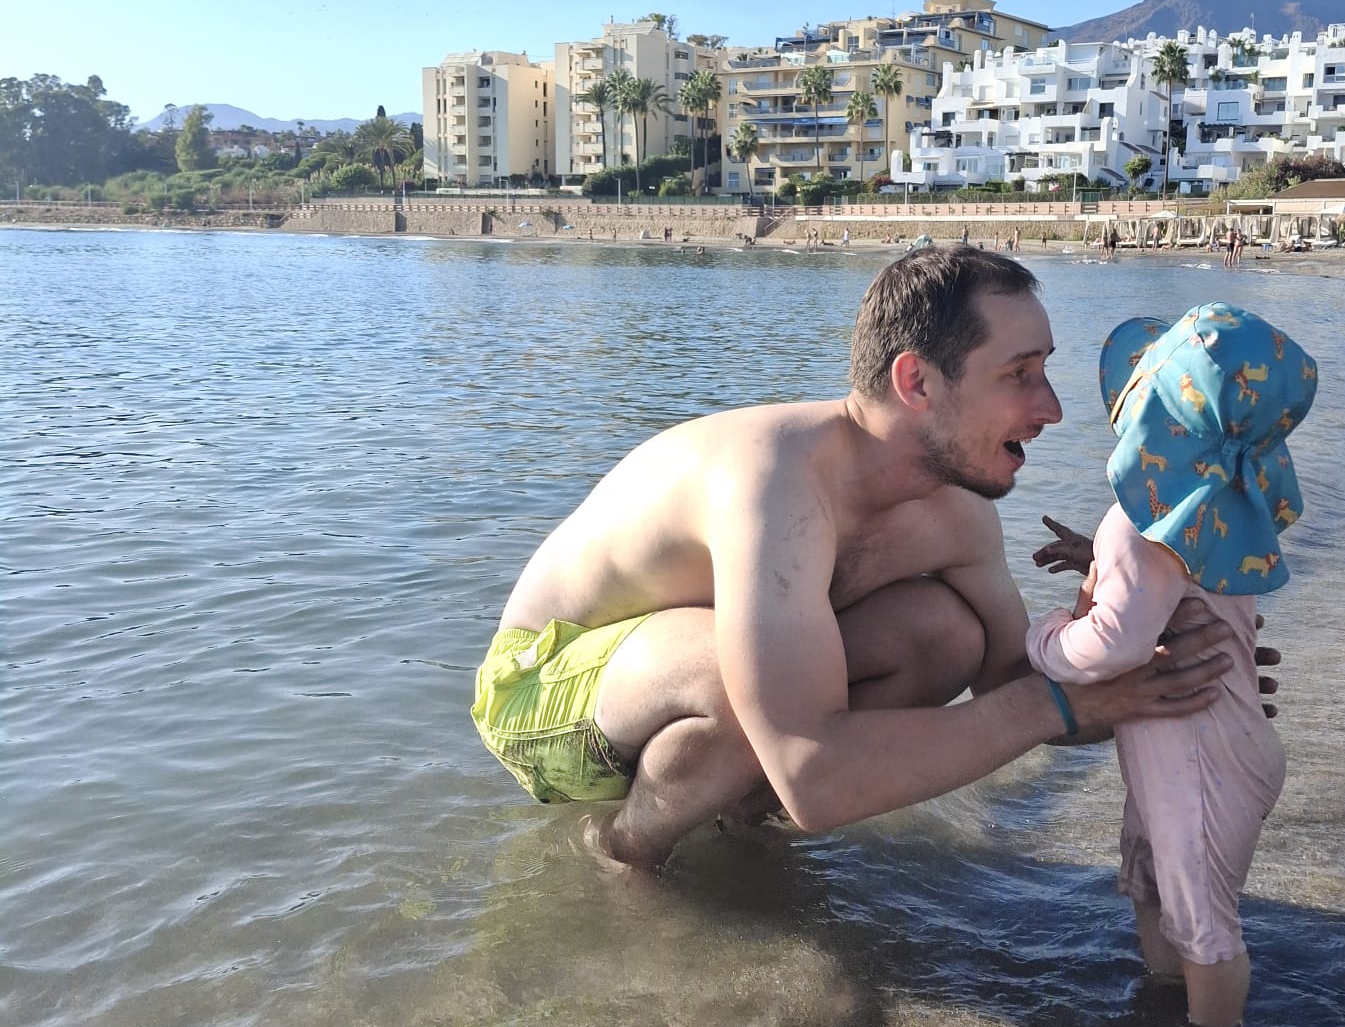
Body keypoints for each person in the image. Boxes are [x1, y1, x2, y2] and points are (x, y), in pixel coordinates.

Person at [472, 249, 1250, 869]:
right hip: (539, 687)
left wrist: (1168, 670)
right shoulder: (774, 481)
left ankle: (741, 819)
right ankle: (622, 852)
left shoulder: (958, 515)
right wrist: (1061, 706)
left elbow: (1015, 684)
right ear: (916, 382)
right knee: (739, 689)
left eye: (1044, 371)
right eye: (1018, 375)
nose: (1050, 408)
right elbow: (815, 776)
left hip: (663, 681)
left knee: (947, 633)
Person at [1026, 302, 1316, 1027]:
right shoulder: (1226, 510)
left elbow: (1116, 646)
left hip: (1200, 758)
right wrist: (1098, 564)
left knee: (1203, 923)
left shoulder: (1138, 527)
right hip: (1214, 747)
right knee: (1153, 883)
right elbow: (1177, 592)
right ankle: (1165, 1001)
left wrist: (1046, 638)